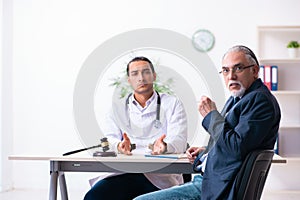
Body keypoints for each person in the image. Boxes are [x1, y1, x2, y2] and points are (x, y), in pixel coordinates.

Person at [134, 45, 281, 200]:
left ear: (255, 70)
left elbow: (236, 147)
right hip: (209, 180)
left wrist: (211, 116)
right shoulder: (239, 98)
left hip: (219, 187)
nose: (231, 76)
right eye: (225, 70)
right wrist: (207, 151)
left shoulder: (259, 100)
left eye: (238, 68)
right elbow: (236, 143)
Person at [84, 56, 188, 200]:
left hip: (159, 176)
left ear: (154, 76)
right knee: (94, 196)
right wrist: (119, 146)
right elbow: (109, 140)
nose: (141, 78)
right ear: (129, 80)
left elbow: (180, 141)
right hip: (124, 172)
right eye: (135, 74)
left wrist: (165, 147)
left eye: (146, 72)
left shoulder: (172, 104)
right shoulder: (117, 108)